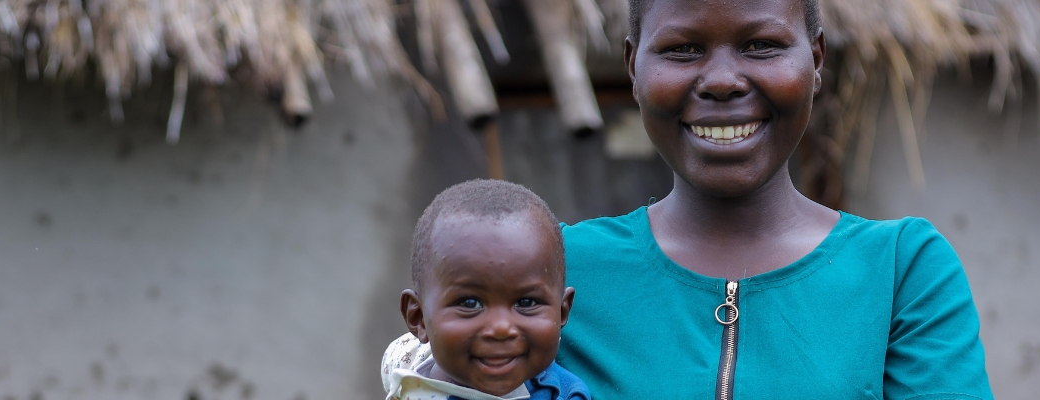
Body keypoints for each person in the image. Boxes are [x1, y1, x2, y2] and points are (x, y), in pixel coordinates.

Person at [552, 0, 994, 398]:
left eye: (761, 45)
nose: (722, 82)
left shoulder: (901, 271)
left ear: (816, 59)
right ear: (633, 67)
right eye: (682, 50)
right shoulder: (555, 272)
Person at [383, 179, 592, 400]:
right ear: (419, 318)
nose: (501, 328)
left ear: (562, 312)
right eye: (470, 303)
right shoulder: (403, 356)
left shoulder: (563, 395)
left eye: (526, 303)